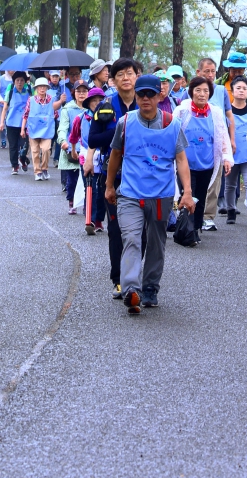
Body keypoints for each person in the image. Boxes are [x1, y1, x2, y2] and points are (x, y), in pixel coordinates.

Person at [105, 74, 196, 313]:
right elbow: (115, 155)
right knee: (132, 239)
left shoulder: (171, 123)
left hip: (160, 196)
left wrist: (187, 192)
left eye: (150, 94)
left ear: (159, 96)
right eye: (141, 94)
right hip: (130, 195)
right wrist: (108, 186)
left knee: (156, 243)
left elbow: (181, 159)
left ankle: (150, 289)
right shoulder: (125, 122)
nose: (145, 99)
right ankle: (131, 289)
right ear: (135, 96)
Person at [86, 58, 141, 297]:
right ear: (113, 80)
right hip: (114, 175)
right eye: (120, 75)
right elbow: (93, 140)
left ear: (137, 76)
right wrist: (119, 130)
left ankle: (136, 275)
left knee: (143, 230)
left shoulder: (147, 102)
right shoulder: (106, 106)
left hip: (144, 175)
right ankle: (118, 278)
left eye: (130, 73)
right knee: (117, 228)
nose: (126, 78)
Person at [175, 75, 232, 239]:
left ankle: (196, 227)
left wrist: (226, 157)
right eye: (198, 90)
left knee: (200, 197)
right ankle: (188, 230)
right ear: (191, 92)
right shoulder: (182, 110)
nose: (201, 94)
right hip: (186, 163)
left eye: (205, 91)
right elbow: (173, 134)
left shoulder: (215, 112)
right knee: (189, 194)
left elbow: (222, 136)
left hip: (207, 163)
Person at [195, 57, 235, 230]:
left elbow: (229, 116)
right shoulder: (191, 91)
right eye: (207, 71)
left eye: (213, 72)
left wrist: (231, 140)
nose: (210, 75)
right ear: (199, 73)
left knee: (214, 179)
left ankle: (208, 216)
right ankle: (191, 213)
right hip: (196, 143)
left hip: (217, 142)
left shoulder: (220, 91)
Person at [223, 75, 247, 224]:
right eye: (238, 88)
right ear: (232, 91)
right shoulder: (226, 111)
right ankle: (230, 211)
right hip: (231, 154)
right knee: (230, 184)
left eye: (244, 88)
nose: (241, 91)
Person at [80, 84, 109, 233]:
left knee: (102, 188)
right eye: (94, 100)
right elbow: (73, 136)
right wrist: (72, 148)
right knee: (90, 188)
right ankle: (89, 219)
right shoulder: (82, 117)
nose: (97, 103)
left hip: (102, 156)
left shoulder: (107, 117)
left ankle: (99, 220)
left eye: (100, 100)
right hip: (86, 155)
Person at [58, 82, 88, 212]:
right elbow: (63, 128)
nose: (81, 94)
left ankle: (87, 205)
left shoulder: (92, 108)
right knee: (72, 180)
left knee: (88, 180)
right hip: (72, 149)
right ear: (74, 93)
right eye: (78, 91)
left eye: (84, 91)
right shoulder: (67, 109)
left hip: (88, 148)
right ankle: (72, 201)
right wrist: (63, 141)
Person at [22, 77, 57, 180]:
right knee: (35, 151)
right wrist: (22, 129)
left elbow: (55, 115)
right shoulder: (31, 100)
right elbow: (25, 115)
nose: (42, 89)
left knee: (46, 149)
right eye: (40, 87)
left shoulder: (51, 99)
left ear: (47, 88)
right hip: (33, 129)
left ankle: (45, 168)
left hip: (47, 130)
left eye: (44, 87)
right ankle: (37, 171)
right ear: (36, 88)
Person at [0, 72, 31, 170]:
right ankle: (15, 165)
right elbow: (5, 108)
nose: (19, 83)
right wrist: (1, 122)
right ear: (14, 81)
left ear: (25, 81)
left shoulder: (29, 90)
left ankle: (22, 158)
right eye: (17, 80)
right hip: (12, 123)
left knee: (25, 145)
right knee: (13, 146)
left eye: (22, 80)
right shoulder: (11, 91)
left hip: (25, 124)